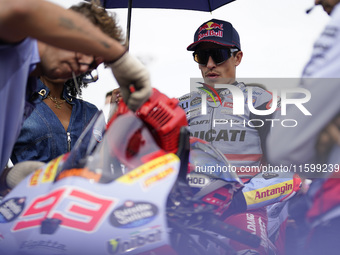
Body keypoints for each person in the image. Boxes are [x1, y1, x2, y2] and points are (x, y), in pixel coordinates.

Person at [0, 0, 151, 191]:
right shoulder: (14, 50)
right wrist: (118, 56)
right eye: (81, 48)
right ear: (60, 27)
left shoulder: (24, 98)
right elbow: (19, 8)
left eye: (91, 66)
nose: (83, 64)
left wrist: (11, 176)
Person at [179, 19, 300, 255]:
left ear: (237, 57)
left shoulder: (262, 101)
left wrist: (238, 202)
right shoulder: (179, 106)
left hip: (246, 209)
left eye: (219, 54)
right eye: (202, 57)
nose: (210, 64)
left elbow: (290, 171)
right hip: (189, 212)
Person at [10, 1, 125, 165]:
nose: (82, 62)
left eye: (91, 62)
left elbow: (107, 164)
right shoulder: (17, 103)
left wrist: (116, 116)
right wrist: (11, 177)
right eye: (79, 49)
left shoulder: (90, 112)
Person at [266, 0, 340, 254]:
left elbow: (287, 145)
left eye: (217, 55)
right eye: (200, 55)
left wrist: (316, 131)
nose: (317, 3)